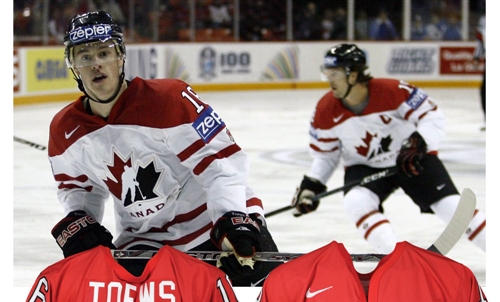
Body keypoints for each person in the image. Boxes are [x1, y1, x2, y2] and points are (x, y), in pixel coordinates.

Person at [48, 10, 278, 286]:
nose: (96, 64)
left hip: (214, 227)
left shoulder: (171, 99)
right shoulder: (64, 129)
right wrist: (81, 221)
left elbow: (220, 165)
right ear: (72, 66)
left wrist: (229, 217)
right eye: (85, 56)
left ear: (120, 56)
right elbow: (78, 188)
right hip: (146, 242)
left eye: (104, 53)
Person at [291, 43, 486, 253]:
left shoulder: (393, 91)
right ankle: (396, 260)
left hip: (411, 159)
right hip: (365, 166)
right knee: (356, 202)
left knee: (453, 208)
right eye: (327, 74)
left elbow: (432, 117)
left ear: (354, 75)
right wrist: (312, 185)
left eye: (335, 74)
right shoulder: (325, 110)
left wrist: (418, 143)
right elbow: (326, 156)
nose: (330, 81)